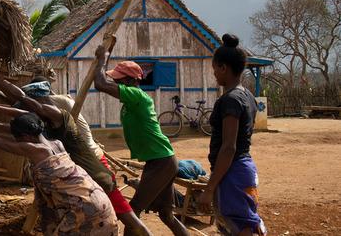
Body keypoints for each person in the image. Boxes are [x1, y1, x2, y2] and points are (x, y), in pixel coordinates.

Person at [0, 61, 151, 235]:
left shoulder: (57, 114)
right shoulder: (43, 122)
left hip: (96, 175)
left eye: (32, 103)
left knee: (129, 221)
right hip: (86, 179)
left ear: (40, 100)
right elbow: (18, 107)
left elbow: (22, 101)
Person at [0, 112, 118, 235]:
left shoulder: (35, 149)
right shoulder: (56, 144)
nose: (17, 142)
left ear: (26, 137)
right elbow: (9, 136)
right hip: (100, 202)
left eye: (18, 138)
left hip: (84, 210)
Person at [94, 45, 189, 236]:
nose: (115, 82)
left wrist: (101, 59)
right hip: (160, 160)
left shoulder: (136, 95)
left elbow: (101, 84)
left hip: (161, 161)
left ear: (129, 80)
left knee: (133, 210)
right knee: (166, 214)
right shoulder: (131, 100)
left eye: (119, 79)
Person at [198, 34, 267, 236]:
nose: (214, 75)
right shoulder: (248, 96)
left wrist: (209, 189)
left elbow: (229, 147)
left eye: (215, 69)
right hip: (242, 169)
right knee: (235, 226)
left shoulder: (231, 100)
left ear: (223, 68)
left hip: (233, 172)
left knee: (243, 228)